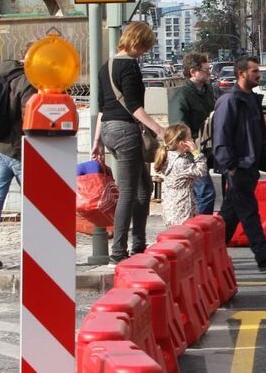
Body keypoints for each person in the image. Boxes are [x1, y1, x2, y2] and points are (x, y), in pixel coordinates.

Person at [91, 21, 163, 265]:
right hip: (125, 131)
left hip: (109, 130)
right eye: (145, 46)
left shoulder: (106, 66)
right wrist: (159, 130)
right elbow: (134, 106)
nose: (145, 51)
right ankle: (119, 250)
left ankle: (138, 244)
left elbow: (102, 107)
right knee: (128, 192)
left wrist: (97, 140)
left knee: (143, 188)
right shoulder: (130, 66)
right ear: (138, 42)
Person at [213, 57, 266, 270]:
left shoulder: (252, 99)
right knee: (249, 212)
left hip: (250, 167)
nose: (259, 75)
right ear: (242, 73)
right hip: (238, 166)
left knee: (231, 215)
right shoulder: (230, 101)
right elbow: (221, 135)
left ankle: (210, 253)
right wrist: (230, 165)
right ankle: (263, 256)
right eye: (254, 71)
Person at [0, 55, 36, 258]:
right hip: (16, 148)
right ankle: (37, 249)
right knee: (34, 199)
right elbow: (29, 119)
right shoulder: (26, 81)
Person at [171, 51, 217, 214]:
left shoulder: (209, 91)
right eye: (206, 69)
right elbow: (178, 127)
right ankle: (201, 227)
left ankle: (201, 223)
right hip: (191, 150)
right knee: (206, 192)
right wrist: (190, 148)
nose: (209, 72)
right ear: (193, 72)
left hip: (207, 147)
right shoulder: (182, 95)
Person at [154, 123, 209, 228]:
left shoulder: (168, 156)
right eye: (190, 138)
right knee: (183, 232)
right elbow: (201, 171)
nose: (192, 140)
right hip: (182, 207)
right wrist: (196, 152)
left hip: (171, 204)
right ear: (182, 143)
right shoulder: (181, 162)